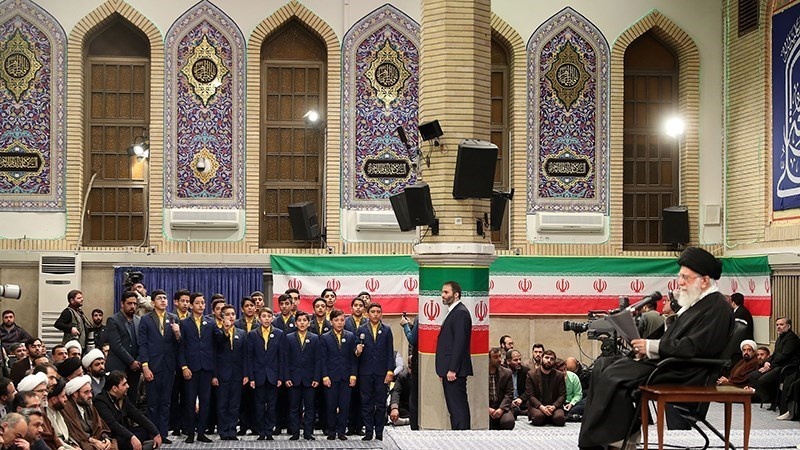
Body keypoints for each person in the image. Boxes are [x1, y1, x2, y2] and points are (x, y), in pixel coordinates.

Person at [578, 246, 733, 450]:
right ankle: (610, 437)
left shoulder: (717, 308)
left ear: (704, 281)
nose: (680, 282)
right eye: (680, 276)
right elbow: (673, 337)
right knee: (602, 365)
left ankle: (618, 441)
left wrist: (651, 347)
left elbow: (694, 347)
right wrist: (640, 344)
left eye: (685, 277)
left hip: (687, 371)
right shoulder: (695, 303)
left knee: (614, 374)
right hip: (671, 362)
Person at [136, 290, 179, 444]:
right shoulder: (145, 320)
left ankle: (163, 433)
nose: (163, 300)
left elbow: (179, 344)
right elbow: (143, 344)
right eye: (160, 298)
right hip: (152, 365)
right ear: (153, 302)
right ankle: (153, 434)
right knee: (153, 403)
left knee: (165, 402)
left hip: (168, 365)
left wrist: (177, 334)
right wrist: (145, 366)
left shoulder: (173, 318)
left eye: (165, 298)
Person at [177, 293, 214, 444]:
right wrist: (184, 366)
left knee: (205, 401)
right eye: (197, 303)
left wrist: (225, 330)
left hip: (206, 368)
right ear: (191, 305)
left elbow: (217, 342)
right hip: (190, 368)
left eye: (203, 303)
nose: (201, 305)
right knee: (189, 401)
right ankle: (190, 432)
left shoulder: (210, 322)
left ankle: (201, 432)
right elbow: (180, 347)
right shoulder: (184, 323)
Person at [435, 281, 472, 430]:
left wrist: (452, 369)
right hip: (449, 370)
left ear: (456, 295)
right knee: (454, 408)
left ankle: (463, 436)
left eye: (446, 292)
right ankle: (457, 434)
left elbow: (459, 343)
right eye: (442, 292)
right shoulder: (454, 312)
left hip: (455, 371)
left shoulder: (460, 313)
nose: (442, 295)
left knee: (458, 407)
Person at [355, 302, 394, 441]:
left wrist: (390, 371)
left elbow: (390, 352)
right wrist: (357, 351)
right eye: (373, 312)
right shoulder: (361, 330)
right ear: (367, 314)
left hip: (381, 373)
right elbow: (355, 351)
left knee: (381, 404)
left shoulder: (387, 330)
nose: (376, 314)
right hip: (365, 372)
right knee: (366, 403)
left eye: (378, 312)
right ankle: (368, 431)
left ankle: (379, 432)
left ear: (381, 314)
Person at [93, 371, 160, 450]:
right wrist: (131, 437)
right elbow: (112, 424)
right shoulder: (100, 402)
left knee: (146, 430)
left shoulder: (123, 398)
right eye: (124, 384)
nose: (128, 386)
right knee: (125, 441)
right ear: (114, 388)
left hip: (124, 432)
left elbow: (137, 415)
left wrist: (156, 432)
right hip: (112, 436)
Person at [281, 311, 321, 441]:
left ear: (309, 323)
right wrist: (286, 377)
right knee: (294, 408)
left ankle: (308, 433)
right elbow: (285, 359)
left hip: (310, 378)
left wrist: (316, 378)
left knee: (310, 407)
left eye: (305, 320)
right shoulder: (289, 338)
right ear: (295, 323)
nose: (302, 323)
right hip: (293, 378)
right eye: (299, 320)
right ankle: (295, 432)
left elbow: (318, 360)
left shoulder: (314, 338)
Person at [245, 307, 282, 441]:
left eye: (269, 316)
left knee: (272, 405)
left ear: (272, 318)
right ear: (259, 318)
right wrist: (251, 377)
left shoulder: (279, 333)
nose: (267, 319)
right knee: (259, 405)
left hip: (273, 375)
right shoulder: (253, 334)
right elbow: (249, 357)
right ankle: (261, 431)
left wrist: (280, 377)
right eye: (264, 316)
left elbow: (281, 357)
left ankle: (269, 430)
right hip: (258, 375)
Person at [319, 309, 356, 440]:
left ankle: (341, 431)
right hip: (331, 376)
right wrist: (325, 376)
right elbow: (322, 359)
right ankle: (331, 431)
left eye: (342, 320)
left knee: (344, 405)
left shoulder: (350, 336)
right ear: (331, 322)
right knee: (331, 405)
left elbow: (353, 358)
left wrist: (353, 375)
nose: (339, 323)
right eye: (336, 320)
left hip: (346, 376)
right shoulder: (325, 337)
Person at [213, 305, 247, 441]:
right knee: (222, 404)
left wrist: (245, 374)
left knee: (234, 404)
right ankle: (223, 431)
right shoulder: (217, 332)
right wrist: (214, 375)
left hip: (237, 374)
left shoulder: (241, 333)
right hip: (222, 373)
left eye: (233, 314)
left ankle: (232, 431)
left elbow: (245, 355)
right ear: (222, 317)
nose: (231, 317)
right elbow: (214, 354)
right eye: (228, 314)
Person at [752, 317, 800, 408]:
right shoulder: (780, 338)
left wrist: (770, 365)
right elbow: (774, 354)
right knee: (753, 375)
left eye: (781, 324)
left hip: (787, 367)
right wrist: (767, 362)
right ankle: (771, 399)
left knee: (763, 380)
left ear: (788, 326)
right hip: (777, 365)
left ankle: (773, 399)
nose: (778, 327)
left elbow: (784, 356)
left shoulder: (792, 338)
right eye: (777, 325)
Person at [103, 293, 140, 405]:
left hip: (135, 368)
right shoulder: (113, 320)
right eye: (129, 303)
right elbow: (116, 345)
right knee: (116, 400)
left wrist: (138, 361)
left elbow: (142, 343)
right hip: (118, 366)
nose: (132, 306)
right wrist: (131, 362)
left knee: (132, 399)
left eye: (135, 304)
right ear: (122, 304)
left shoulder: (138, 320)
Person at [61, 376, 115, 450]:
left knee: (112, 445)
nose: (90, 395)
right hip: (81, 443)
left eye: (90, 391)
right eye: (86, 392)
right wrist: (94, 441)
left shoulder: (88, 404)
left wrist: (106, 439)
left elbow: (100, 427)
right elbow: (75, 433)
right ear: (75, 394)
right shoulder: (67, 408)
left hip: (95, 440)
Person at [526, 350, 566, 427]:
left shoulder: (559, 375)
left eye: (552, 359)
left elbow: (562, 395)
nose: (549, 360)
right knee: (538, 418)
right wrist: (541, 407)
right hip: (538, 406)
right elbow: (530, 395)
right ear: (541, 358)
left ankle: (549, 416)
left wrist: (554, 407)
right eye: (546, 358)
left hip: (554, 406)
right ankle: (547, 417)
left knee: (560, 419)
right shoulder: (531, 374)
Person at [487, 348, 515, 430]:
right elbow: (477, 395)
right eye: (495, 357)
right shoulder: (480, 374)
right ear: (488, 359)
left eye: (500, 356)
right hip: (486, 407)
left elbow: (509, 394)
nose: (499, 359)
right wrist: (486, 409)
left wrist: (501, 409)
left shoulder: (507, 373)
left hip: (501, 406)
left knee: (508, 422)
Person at [505, 349, 529, 417]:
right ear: (508, 361)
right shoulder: (502, 372)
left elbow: (529, 389)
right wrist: (509, 401)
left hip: (522, 402)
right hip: (507, 403)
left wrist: (521, 399)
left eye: (520, 359)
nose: (519, 362)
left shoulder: (526, 371)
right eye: (516, 360)